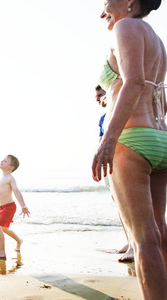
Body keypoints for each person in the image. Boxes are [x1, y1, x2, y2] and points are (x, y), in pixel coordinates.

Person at [94, 1, 167, 298]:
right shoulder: (155, 38)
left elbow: (134, 82)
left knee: (143, 240)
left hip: (131, 138)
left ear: (130, 2)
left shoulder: (126, 27)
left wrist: (108, 139)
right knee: (158, 233)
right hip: (159, 137)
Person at [96, 84, 134, 262]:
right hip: (110, 165)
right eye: (96, 96)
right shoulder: (103, 118)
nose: (98, 99)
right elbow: (101, 141)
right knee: (119, 203)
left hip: (124, 162)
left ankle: (136, 245)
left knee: (130, 204)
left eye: (101, 94)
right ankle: (129, 241)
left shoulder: (121, 113)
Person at [0, 155, 30, 259]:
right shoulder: (0, 179)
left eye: (5, 161)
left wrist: (23, 205)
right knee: (5, 229)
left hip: (9, 207)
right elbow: (2, 191)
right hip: (2, 207)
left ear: (11, 167)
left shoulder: (10, 178)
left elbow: (16, 191)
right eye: (2, 160)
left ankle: (2, 252)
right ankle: (19, 241)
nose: (2, 161)